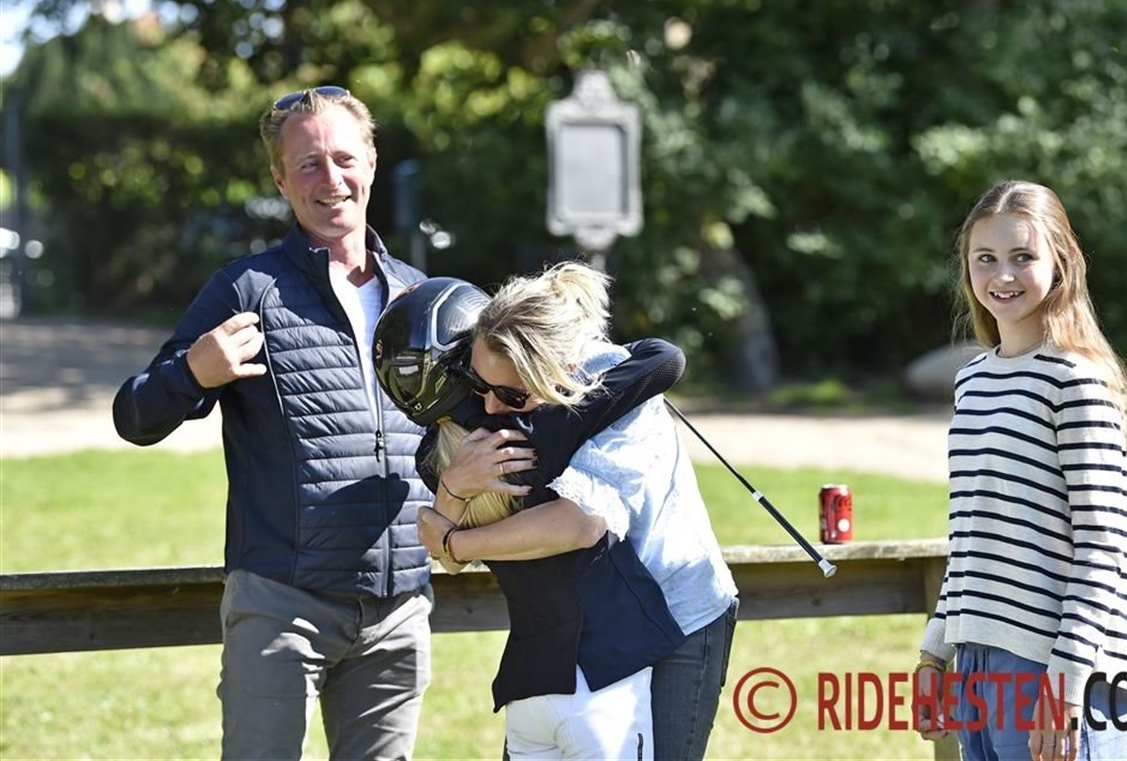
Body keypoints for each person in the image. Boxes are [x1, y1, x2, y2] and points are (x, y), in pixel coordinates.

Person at [112, 86, 434, 761]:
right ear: (280, 179)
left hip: (399, 608)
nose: (330, 178)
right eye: (308, 164)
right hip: (281, 606)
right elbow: (133, 416)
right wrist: (193, 372)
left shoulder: (421, 297)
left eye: (344, 158)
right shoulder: (246, 289)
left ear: (372, 163)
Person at [415, 261, 740, 761]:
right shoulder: (500, 391)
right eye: (478, 385)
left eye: (510, 395)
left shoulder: (619, 394)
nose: (490, 410)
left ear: (561, 372)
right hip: (570, 637)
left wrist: (452, 542)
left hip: (679, 611)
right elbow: (458, 528)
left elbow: (577, 523)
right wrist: (454, 491)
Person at [914, 180, 1127, 761]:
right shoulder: (972, 381)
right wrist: (935, 652)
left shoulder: (1076, 381)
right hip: (977, 660)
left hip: (1060, 669)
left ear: (1060, 263)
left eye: (1023, 256)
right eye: (985, 258)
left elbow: (1103, 545)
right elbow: (973, 532)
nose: (1003, 275)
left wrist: (1064, 684)